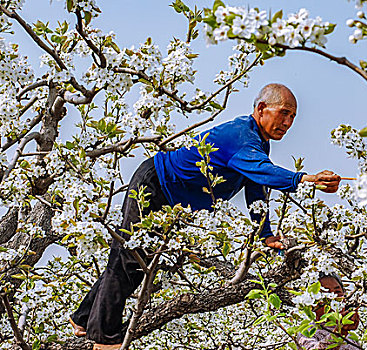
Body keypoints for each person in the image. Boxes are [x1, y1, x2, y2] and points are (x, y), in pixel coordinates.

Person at [69, 83, 342, 349]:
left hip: (170, 200)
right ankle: (104, 338)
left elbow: (256, 187)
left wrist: (265, 235)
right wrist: (305, 179)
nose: (288, 122)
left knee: (139, 260)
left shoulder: (259, 144)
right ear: (261, 109)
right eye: (284, 112)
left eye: (293, 116)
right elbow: (263, 172)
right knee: (130, 259)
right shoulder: (241, 137)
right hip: (154, 186)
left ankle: (82, 318)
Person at [297, 274, 362, 350]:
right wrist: (340, 332)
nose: (333, 297)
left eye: (337, 291)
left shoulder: (351, 336)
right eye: (325, 293)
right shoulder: (307, 331)